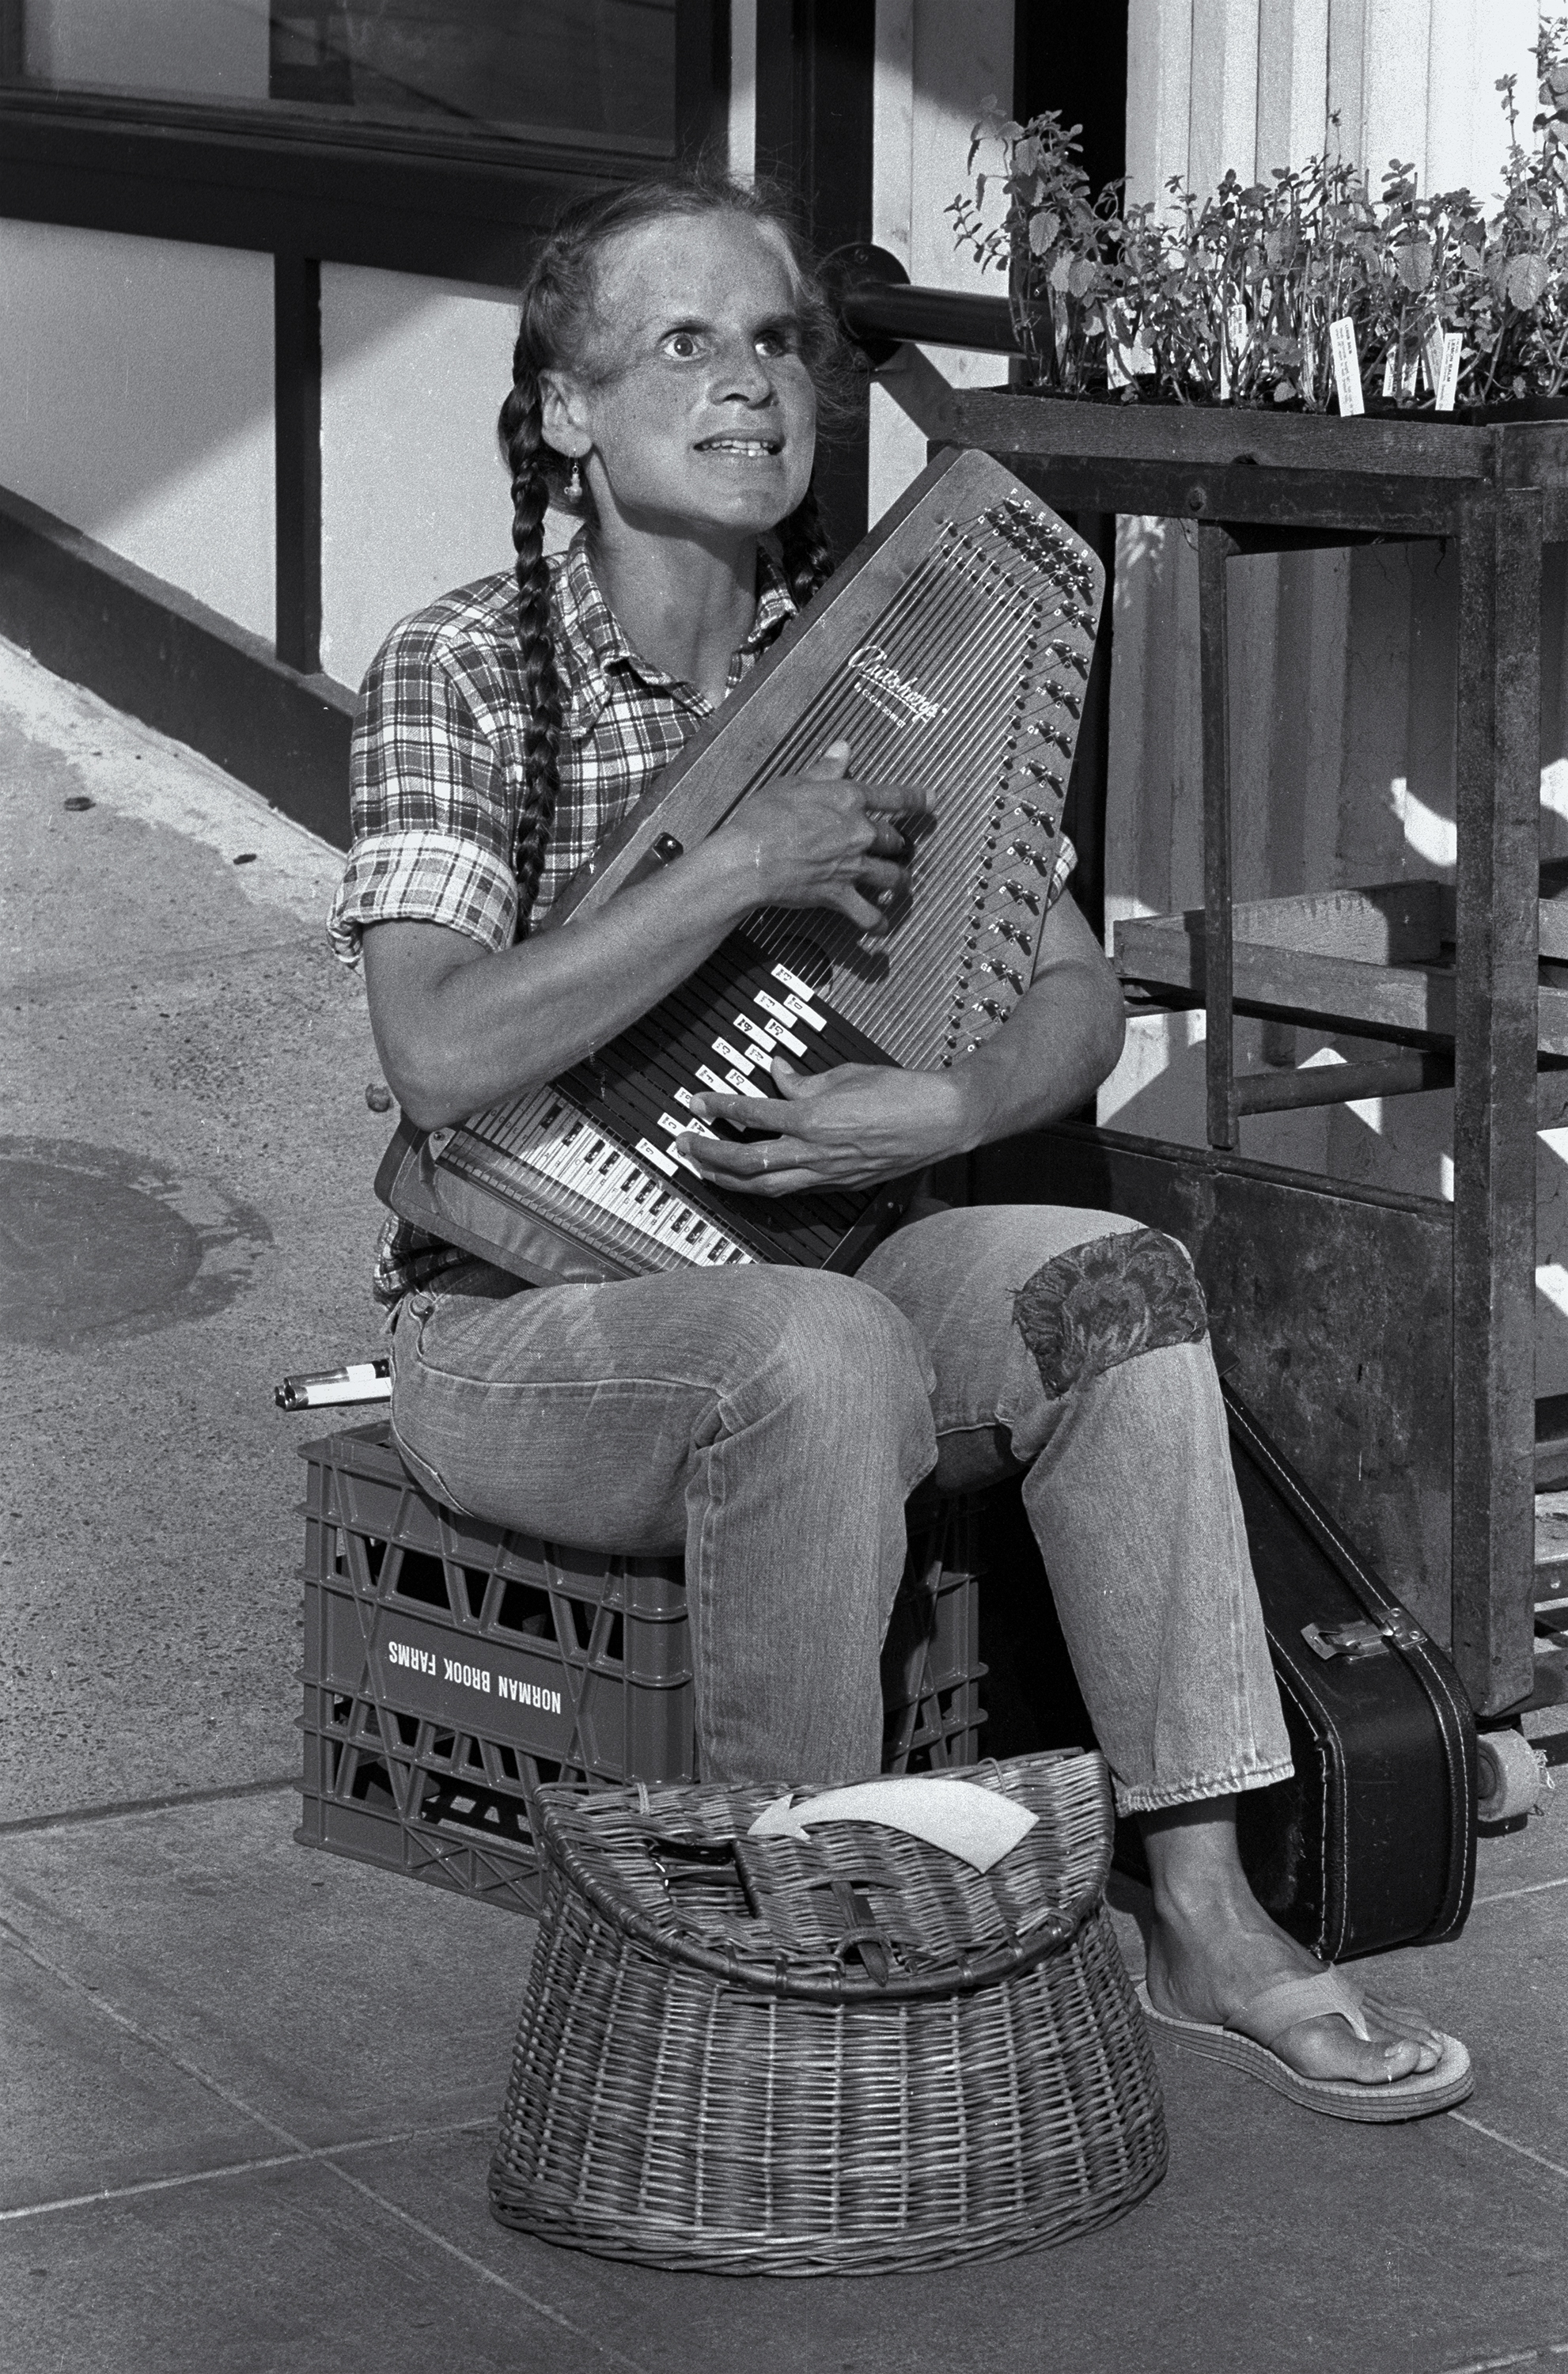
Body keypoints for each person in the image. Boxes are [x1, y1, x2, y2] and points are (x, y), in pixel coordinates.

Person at [328, 173, 1468, 2121]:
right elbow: (437, 1051)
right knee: (814, 1344)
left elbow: (1080, 998)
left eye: (777, 338)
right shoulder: (469, 668)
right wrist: (735, 872)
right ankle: (809, 1945)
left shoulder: (886, 663)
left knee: (1107, 1283)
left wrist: (940, 1105)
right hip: (519, 1326)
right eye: (681, 342)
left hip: (823, 1274)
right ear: (564, 414)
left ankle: (1203, 1904)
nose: (752, 381)